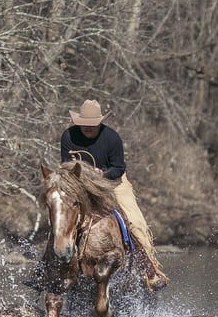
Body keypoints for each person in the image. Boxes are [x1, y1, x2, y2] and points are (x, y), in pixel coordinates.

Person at [61, 99, 168, 290]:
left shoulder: (111, 138)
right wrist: (84, 177)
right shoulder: (68, 136)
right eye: (84, 123)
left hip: (112, 182)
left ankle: (149, 271)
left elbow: (118, 167)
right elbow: (65, 166)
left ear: (99, 123)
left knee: (135, 221)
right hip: (80, 184)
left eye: (92, 124)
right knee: (60, 215)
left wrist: (102, 175)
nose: (88, 127)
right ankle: (46, 269)